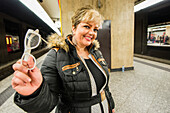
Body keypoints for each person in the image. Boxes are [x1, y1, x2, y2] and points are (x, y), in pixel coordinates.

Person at [12, 6, 115, 113]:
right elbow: (48, 102)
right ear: (74, 28)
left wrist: (111, 106)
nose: (92, 33)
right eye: (87, 27)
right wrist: (34, 93)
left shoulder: (96, 53)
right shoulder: (56, 55)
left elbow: (105, 87)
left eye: (95, 29)